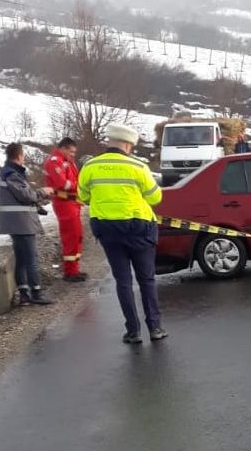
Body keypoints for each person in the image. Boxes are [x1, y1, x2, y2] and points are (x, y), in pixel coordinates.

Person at [79, 123, 167, 344]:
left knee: (123, 281)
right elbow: (156, 198)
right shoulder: (138, 166)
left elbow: (83, 196)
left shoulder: (90, 166)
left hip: (108, 231)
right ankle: (155, 328)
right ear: (128, 145)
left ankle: (133, 331)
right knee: (146, 279)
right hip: (140, 230)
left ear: (109, 142)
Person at [0, 142, 55, 305]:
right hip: (21, 223)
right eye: (24, 156)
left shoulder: (6, 172)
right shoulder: (12, 173)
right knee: (31, 259)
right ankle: (36, 293)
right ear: (20, 156)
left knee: (22, 260)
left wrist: (36, 205)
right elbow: (25, 195)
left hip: (14, 222)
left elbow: (18, 197)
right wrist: (44, 191)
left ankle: (24, 294)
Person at [43, 137, 87, 282]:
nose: (73, 154)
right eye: (71, 151)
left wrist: (76, 185)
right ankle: (69, 272)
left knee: (77, 235)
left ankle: (74, 269)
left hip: (73, 202)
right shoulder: (55, 161)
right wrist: (76, 186)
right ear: (63, 148)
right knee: (70, 235)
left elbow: (76, 179)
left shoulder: (68, 162)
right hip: (64, 203)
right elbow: (62, 183)